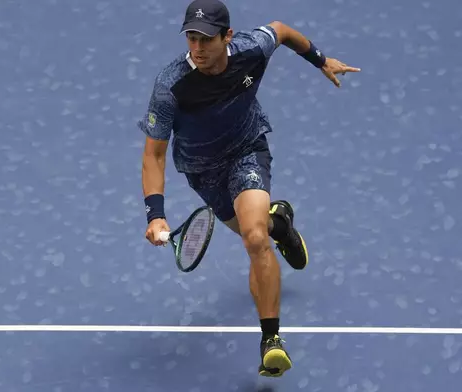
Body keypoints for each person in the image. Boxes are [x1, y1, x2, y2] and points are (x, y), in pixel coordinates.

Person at [138, 0, 360, 378]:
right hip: (202, 171)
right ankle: (282, 224)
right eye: (191, 38)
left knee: (254, 239)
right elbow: (154, 155)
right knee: (254, 229)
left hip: (246, 151)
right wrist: (155, 214)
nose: (198, 48)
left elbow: (283, 30)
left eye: (206, 39)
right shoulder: (171, 84)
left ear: (227, 36)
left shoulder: (251, 49)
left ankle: (271, 341)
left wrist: (321, 60)